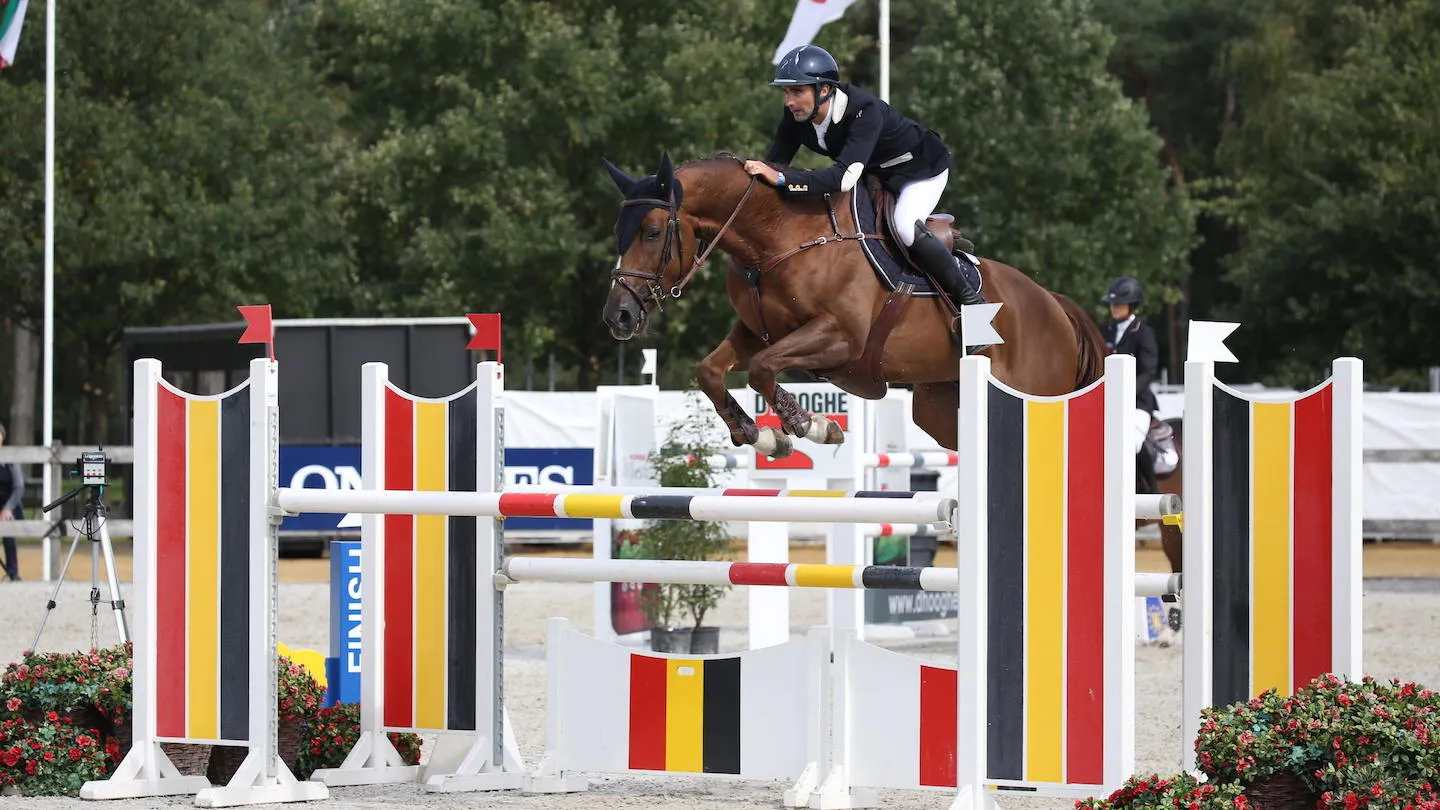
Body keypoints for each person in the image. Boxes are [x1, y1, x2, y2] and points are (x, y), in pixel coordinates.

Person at [743, 45, 984, 341]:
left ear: (824, 90)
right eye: (786, 93)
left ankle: (972, 303)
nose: (790, 101)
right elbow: (774, 164)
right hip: (875, 173)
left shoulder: (863, 111)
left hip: (920, 170)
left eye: (797, 92)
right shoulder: (797, 116)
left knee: (905, 227)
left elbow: (841, 178)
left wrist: (781, 179)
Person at [1099, 277, 1161, 495]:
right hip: (1105, 401)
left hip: (1136, 402)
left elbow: (1148, 371)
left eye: (1119, 304)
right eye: (1112, 304)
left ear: (1132, 305)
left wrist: (1124, 394)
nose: (1114, 307)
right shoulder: (1104, 331)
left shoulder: (1143, 333)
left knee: (1132, 441)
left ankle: (1153, 492)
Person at [0, 423, 23, 582]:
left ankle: (13, 573)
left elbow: (19, 486)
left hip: (8, 502)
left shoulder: (10, 459)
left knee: (9, 536)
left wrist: (7, 508)